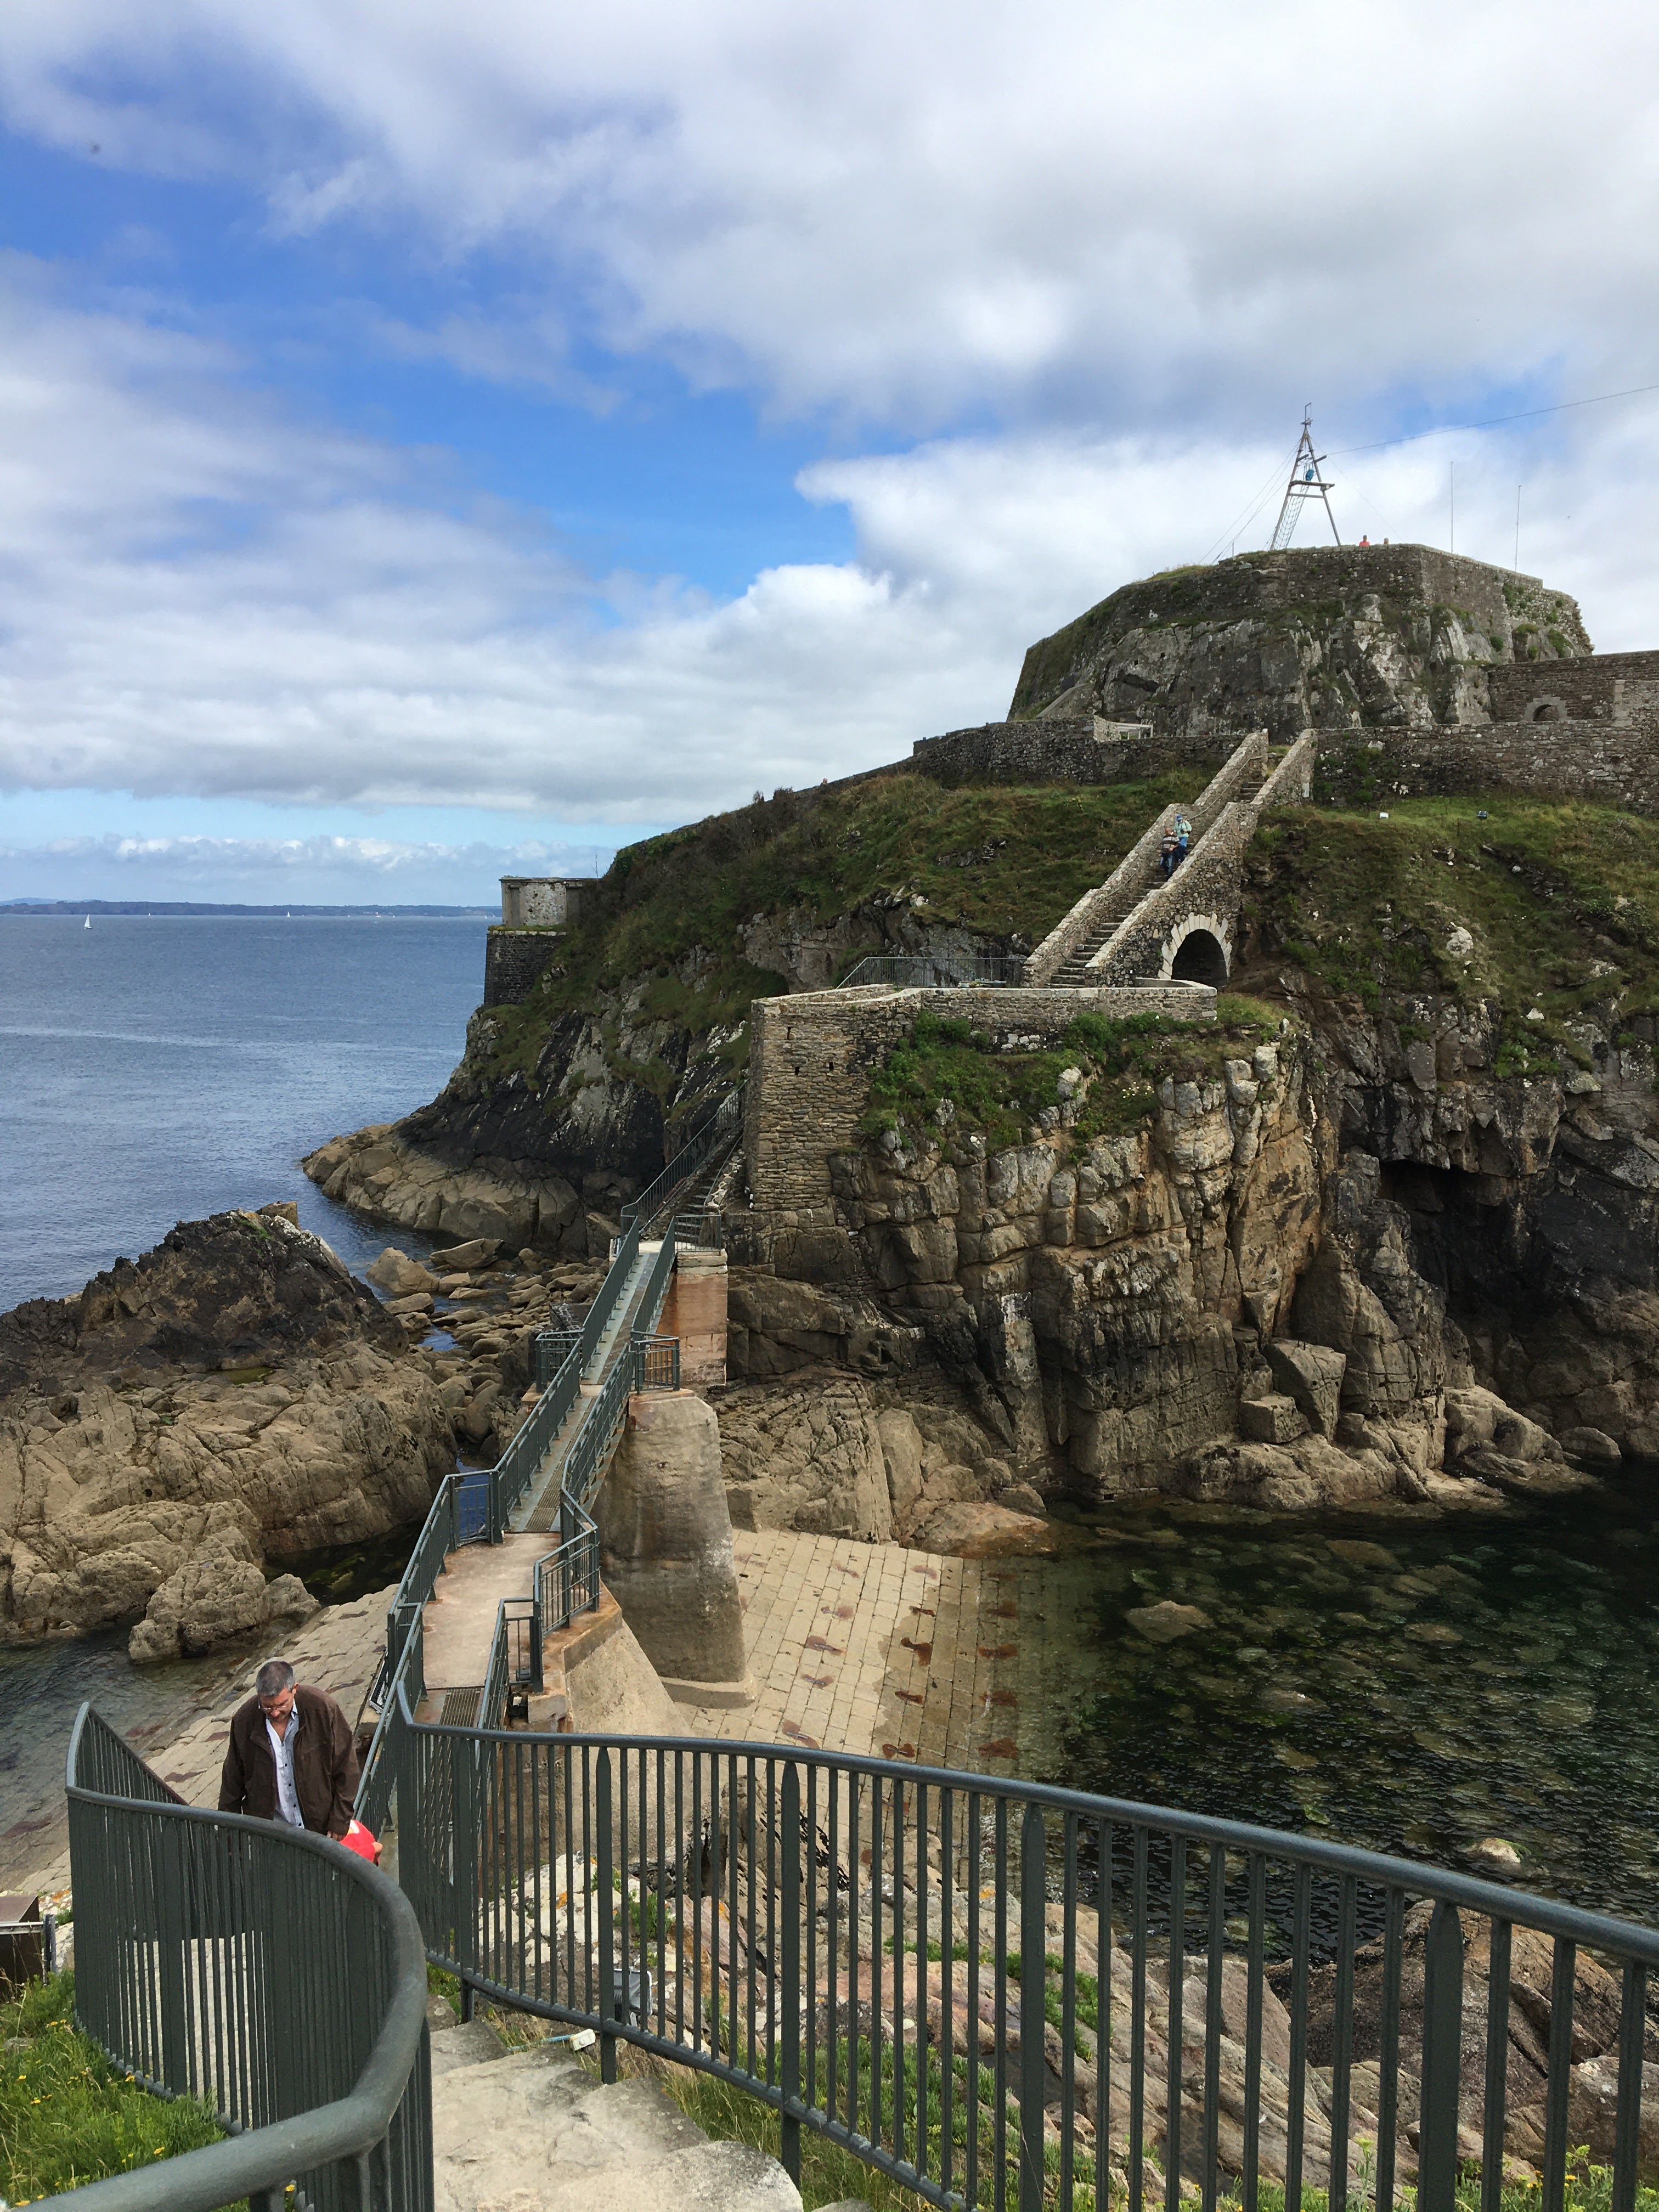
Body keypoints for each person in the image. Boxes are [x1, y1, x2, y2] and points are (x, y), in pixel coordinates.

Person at [218, 1657, 359, 1839]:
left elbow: (347, 1767)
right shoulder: (244, 1720)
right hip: (271, 1834)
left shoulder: (322, 1708)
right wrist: (228, 1838)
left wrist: (340, 1819)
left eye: (281, 1704)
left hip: (321, 1830)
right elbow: (232, 1782)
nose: (275, 1713)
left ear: (295, 1689)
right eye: (267, 1707)